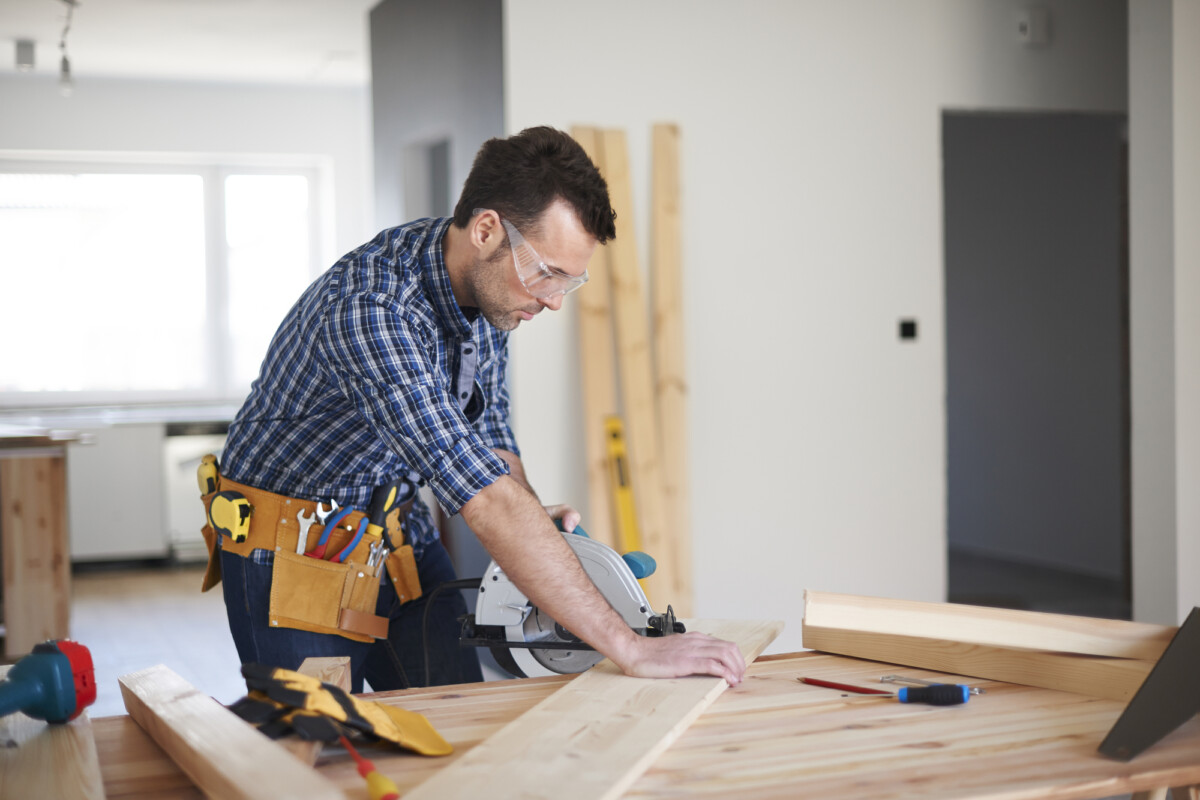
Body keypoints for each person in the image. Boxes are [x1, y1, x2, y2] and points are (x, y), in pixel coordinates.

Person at [207, 126, 745, 693]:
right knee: (311, 748)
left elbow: (492, 449)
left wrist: (545, 536)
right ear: (487, 229)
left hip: (392, 531)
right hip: (293, 551)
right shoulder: (370, 309)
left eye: (572, 280)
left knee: (457, 719)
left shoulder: (491, 298)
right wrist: (631, 648)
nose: (555, 299)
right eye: (548, 272)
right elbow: (483, 497)